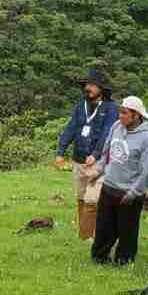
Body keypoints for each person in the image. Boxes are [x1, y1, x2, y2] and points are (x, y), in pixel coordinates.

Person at [90, 95, 148, 265]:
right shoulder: (116, 127)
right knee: (104, 226)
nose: (120, 116)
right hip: (109, 186)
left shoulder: (147, 139)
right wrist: (98, 170)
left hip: (129, 192)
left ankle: (123, 261)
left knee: (127, 229)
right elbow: (107, 152)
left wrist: (134, 192)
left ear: (136, 115)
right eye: (120, 112)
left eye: (125, 113)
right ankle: (99, 257)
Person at [55, 68, 120, 240]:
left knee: (92, 199)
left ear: (101, 88)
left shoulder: (111, 108)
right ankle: (84, 236)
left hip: (98, 162)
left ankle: (93, 236)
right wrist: (60, 151)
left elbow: (107, 133)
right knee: (81, 197)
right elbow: (70, 128)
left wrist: (96, 154)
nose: (87, 88)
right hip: (79, 159)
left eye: (92, 85)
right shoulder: (81, 106)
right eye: (87, 85)